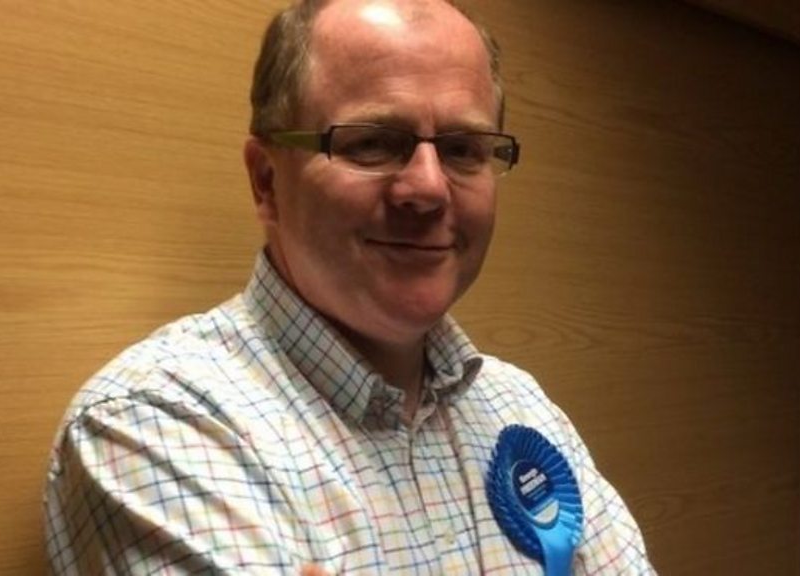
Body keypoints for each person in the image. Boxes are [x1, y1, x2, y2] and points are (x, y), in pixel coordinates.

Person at [44, 0, 655, 574]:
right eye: (372, 143)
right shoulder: (154, 424)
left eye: (463, 149)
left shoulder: (518, 406)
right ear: (266, 181)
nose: (428, 188)